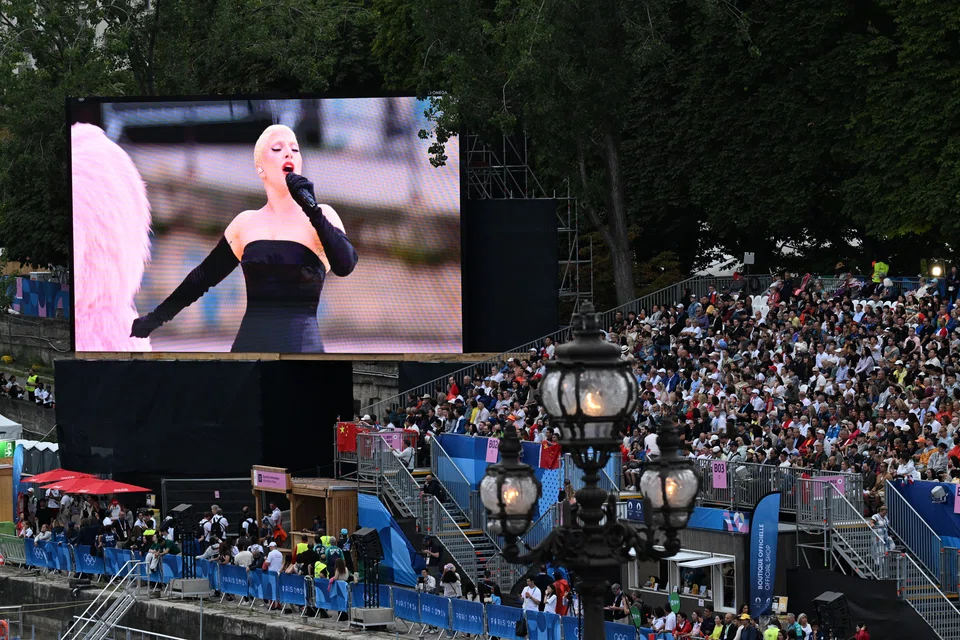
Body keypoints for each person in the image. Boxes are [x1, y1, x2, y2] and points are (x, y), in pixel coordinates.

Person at [130, 124, 358, 353]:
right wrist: (155, 319)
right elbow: (201, 278)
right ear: (261, 169)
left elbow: (345, 264)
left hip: (301, 353)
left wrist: (311, 209)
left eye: (295, 149)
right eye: (277, 148)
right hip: (249, 352)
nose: (289, 153)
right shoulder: (245, 223)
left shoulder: (323, 214)